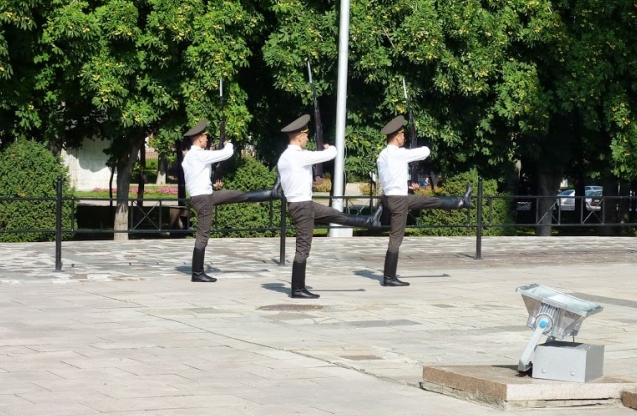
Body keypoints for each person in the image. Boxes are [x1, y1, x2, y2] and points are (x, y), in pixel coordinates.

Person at [277, 114, 382, 299]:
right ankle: (297, 289)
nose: (307, 139)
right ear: (299, 137)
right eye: (306, 136)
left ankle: (367, 220)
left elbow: (295, 180)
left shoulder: (284, 157)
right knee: (303, 247)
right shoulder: (298, 156)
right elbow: (331, 154)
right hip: (302, 206)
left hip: (302, 204)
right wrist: (329, 147)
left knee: (333, 214)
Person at [377, 115, 472, 287]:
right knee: (396, 237)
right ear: (397, 136)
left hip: (395, 197)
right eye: (403, 135)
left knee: (428, 201)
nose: (404, 138)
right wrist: (416, 139)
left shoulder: (382, 155)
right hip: (398, 199)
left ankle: (461, 202)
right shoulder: (397, 154)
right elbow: (425, 152)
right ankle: (389, 277)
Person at [182, 119, 280, 282]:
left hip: (204, 195)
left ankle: (272, 194)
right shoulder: (198, 155)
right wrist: (228, 144)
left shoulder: (191, 157)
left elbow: (198, 177)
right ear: (199, 138)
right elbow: (227, 154)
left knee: (237, 195)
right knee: (203, 234)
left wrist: (212, 183)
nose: (207, 140)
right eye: (206, 137)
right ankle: (197, 273)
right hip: (204, 199)